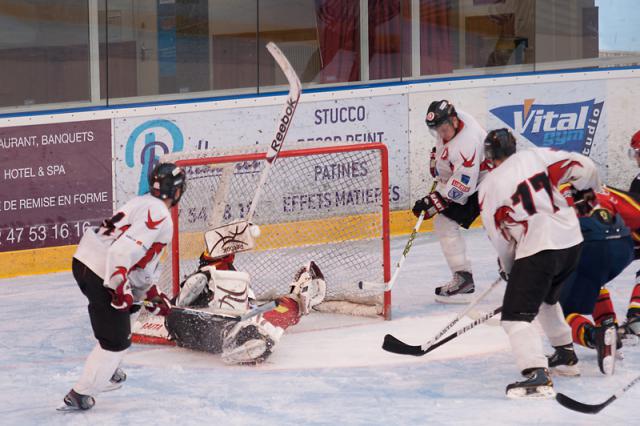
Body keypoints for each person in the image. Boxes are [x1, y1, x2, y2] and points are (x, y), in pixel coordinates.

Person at [478, 128, 601, 398]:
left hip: (539, 249)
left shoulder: (488, 186)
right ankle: (565, 355)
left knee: (514, 318)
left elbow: (500, 237)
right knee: (547, 298)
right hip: (571, 240)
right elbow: (584, 166)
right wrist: (589, 190)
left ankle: (536, 375)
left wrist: (509, 267)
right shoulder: (536, 155)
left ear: (489, 156)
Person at [59, 162, 187, 411]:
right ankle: (81, 393)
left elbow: (139, 262)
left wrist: (151, 292)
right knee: (115, 341)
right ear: (178, 192)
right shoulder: (160, 215)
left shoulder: (141, 202)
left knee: (133, 305)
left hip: (85, 261)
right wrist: (118, 289)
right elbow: (120, 252)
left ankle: (109, 367)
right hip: (103, 268)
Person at [164, 252, 326, 364]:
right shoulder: (286, 307)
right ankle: (245, 338)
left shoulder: (287, 308)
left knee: (226, 327)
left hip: (183, 327)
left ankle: (244, 338)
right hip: (209, 330)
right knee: (262, 316)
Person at [411, 100, 488, 303]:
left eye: (444, 129)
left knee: (446, 222)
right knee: (444, 223)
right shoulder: (451, 121)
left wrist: (435, 200)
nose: (441, 134)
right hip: (474, 179)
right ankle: (464, 277)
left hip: (485, 184)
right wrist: (439, 165)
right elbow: (447, 151)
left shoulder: (466, 143)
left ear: (454, 121)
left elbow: (463, 188)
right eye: (438, 130)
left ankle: (464, 279)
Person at [557, 186, 634, 375]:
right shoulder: (600, 189)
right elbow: (635, 212)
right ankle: (609, 327)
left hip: (589, 247)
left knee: (555, 308)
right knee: (592, 280)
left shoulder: (544, 192)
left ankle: (594, 336)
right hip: (623, 248)